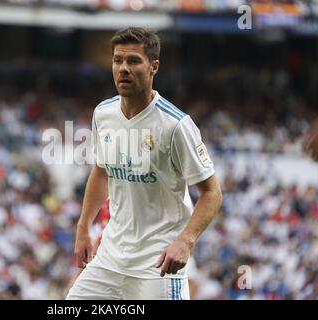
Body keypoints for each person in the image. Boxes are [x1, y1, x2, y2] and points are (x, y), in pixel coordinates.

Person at [66, 27, 223, 300]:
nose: (123, 68)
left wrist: (185, 242)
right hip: (110, 259)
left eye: (133, 61)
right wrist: (83, 229)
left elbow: (212, 193)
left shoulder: (176, 125)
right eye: (118, 60)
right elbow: (101, 172)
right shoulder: (103, 113)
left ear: (154, 67)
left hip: (157, 265)